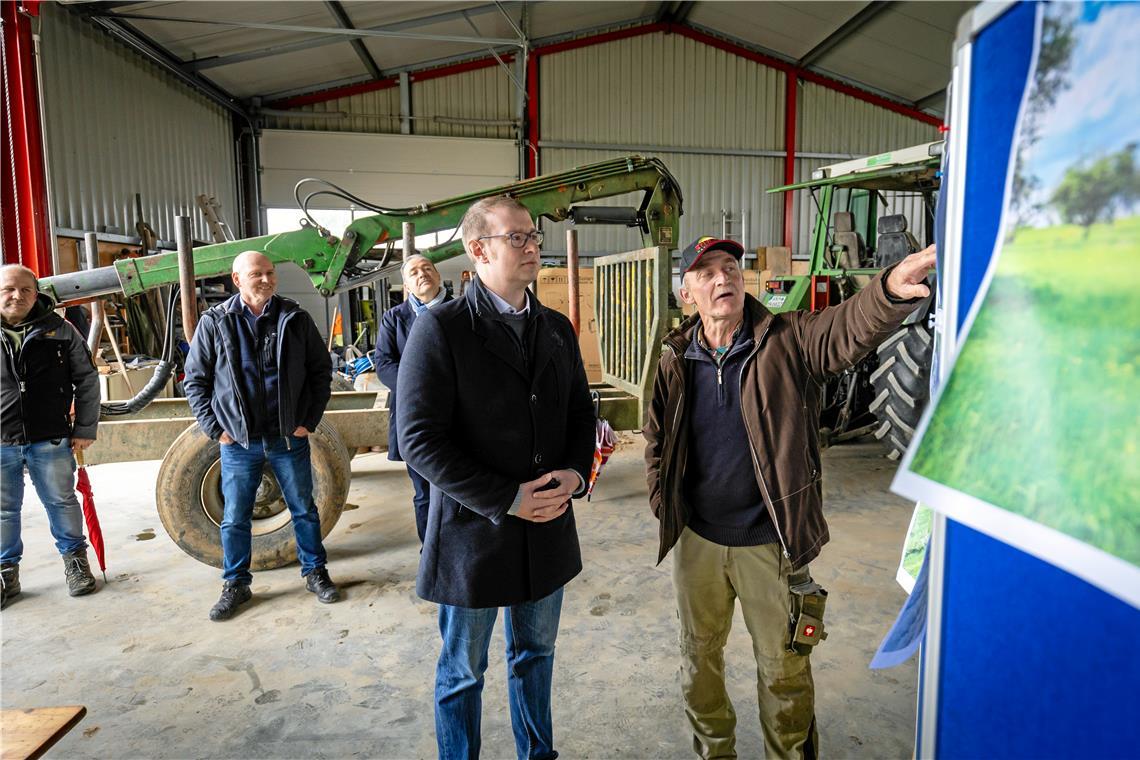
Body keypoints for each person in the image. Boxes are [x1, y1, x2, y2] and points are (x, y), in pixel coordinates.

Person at [644, 236, 937, 759]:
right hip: (698, 544)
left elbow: (843, 328)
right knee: (699, 665)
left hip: (769, 542)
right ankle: (716, 753)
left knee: (785, 674)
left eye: (730, 267)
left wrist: (888, 291)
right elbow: (656, 439)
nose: (722, 279)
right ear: (686, 292)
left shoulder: (785, 339)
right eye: (706, 272)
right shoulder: (673, 355)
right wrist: (664, 505)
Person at [396, 196, 595, 759]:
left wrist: (576, 476)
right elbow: (418, 439)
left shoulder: (555, 328)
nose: (533, 246)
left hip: (547, 527)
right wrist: (505, 497)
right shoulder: (442, 330)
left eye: (533, 237)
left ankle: (539, 754)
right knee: (463, 670)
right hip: (474, 535)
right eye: (518, 238)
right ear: (478, 249)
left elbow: (582, 413)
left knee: (535, 655)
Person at [183, 251, 340, 621]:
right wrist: (215, 428)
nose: (266, 279)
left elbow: (321, 372)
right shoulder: (215, 322)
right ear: (237, 280)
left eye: (271, 272)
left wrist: (308, 419)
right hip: (239, 441)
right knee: (235, 516)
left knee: (304, 509)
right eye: (257, 274)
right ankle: (236, 583)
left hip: (288, 437)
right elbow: (195, 381)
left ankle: (315, 572)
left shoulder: (295, 318)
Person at [1, 264, 100, 607]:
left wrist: (85, 427)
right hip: (1, 440)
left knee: (61, 501)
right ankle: (6, 573)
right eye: (9, 289)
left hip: (51, 436)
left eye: (26, 289)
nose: (17, 295)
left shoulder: (59, 329)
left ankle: (75, 562)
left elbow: (86, 378)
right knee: (3, 510)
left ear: (36, 292)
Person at [373, 254, 451, 543]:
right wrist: (421, 389)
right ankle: (430, 551)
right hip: (413, 415)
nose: (422, 274)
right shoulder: (394, 318)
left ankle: (461, 550)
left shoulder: (461, 311)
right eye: (414, 272)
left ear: (438, 274)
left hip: (459, 415)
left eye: (427, 268)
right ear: (406, 284)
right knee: (424, 492)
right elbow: (384, 363)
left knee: (463, 487)